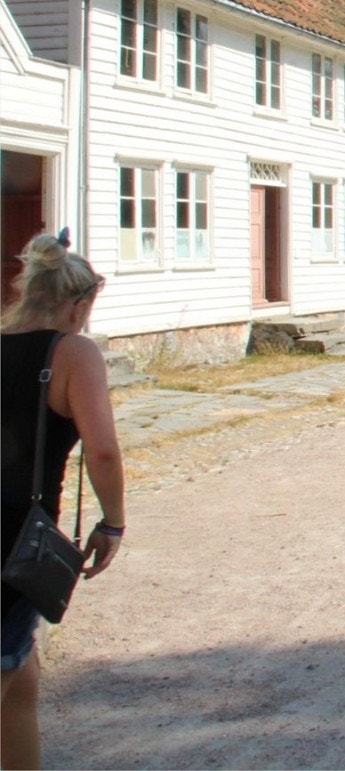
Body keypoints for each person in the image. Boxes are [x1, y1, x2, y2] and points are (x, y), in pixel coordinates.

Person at [3, 232, 126, 770]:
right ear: (77, 304)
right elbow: (101, 450)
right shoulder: (72, 351)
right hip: (12, 541)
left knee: (20, 685)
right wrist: (113, 523)